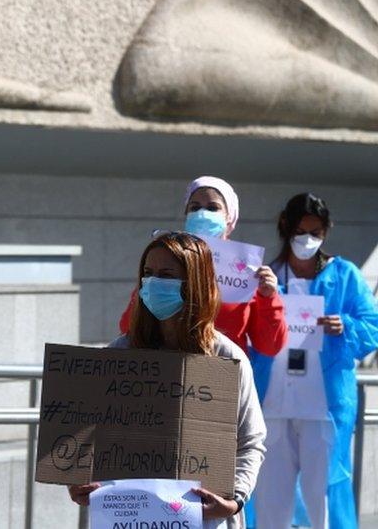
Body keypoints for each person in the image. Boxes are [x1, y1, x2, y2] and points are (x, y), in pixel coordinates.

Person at [71, 232, 266, 529]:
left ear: (195, 283)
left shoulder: (226, 357)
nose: (153, 283)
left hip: (203, 519)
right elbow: (86, 433)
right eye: (147, 274)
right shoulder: (119, 354)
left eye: (166, 275)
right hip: (130, 517)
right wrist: (78, 477)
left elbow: (250, 441)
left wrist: (234, 499)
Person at [251, 193, 378, 529]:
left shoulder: (345, 274)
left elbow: (373, 325)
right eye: (301, 230)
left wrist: (345, 325)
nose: (307, 239)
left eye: (316, 231)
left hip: (323, 406)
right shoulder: (267, 277)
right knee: (268, 497)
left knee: (322, 497)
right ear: (285, 226)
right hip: (272, 402)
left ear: (326, 232)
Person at [119, 176, 287, 358]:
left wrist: (268, 299)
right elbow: (129, 328)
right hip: (166, 371)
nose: (202, 213)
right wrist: (153, 283)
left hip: (223, 377)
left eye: (213, 208)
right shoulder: (167, 259)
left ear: (230, 219)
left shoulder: (248, 273)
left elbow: (271, 346)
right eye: (195, 207)